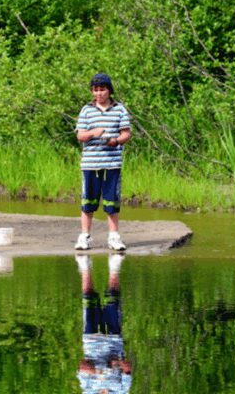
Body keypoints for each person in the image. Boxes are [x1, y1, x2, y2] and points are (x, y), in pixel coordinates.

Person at [74, 73, 132, 251]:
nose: (99, 93)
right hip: (90, 163)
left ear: (109, 90)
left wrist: (116, 141)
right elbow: (80, 135)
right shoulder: (86, 110)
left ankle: (114, 237)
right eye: (95, 90)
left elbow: (126, 134)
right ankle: (84, 236)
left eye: (102, 89)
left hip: (112, 163)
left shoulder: (120, 109)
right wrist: (93, 133)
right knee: (88, 201)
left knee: (112, 201)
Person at [75, 254, 132, 393]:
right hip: (114, 340)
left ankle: (85, 268)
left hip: (92, 340)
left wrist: (99, 370)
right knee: (112, 299)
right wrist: (118, 363)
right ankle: (114, 268)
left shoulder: (89, 390)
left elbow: (82, 366)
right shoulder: (122, 390)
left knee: (89, 299)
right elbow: (127, 368)